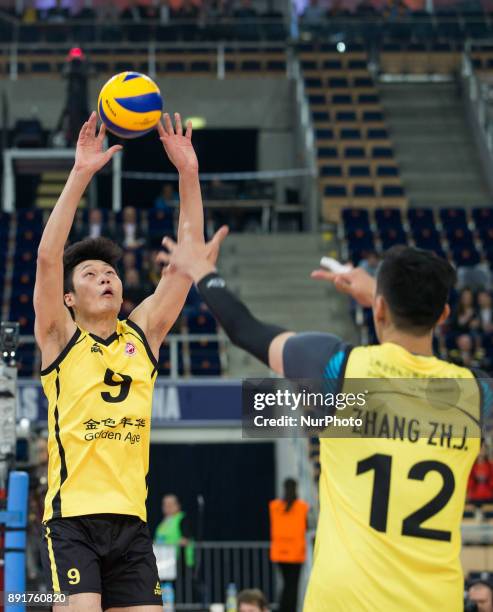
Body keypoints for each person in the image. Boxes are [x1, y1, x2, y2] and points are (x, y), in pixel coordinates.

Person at [159, 237, 489, 611]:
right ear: (444, 315)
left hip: (347, 601)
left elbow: (243, 329)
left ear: (379, 308)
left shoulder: (338, 369)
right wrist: (383, 301)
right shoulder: (475, 395)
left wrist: (203, 270)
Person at [34, 110, 226, 611]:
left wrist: (189, 174)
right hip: (73, 520)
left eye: (110, 273)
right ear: (70, 298)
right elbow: (49, 259)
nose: (106, 279)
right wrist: (80, 174)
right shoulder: (60, 337)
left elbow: (187, 263)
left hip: (131, 522)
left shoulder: (141, 336)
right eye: (92, 274)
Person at [269, 478, 308, 612]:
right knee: (293, 587)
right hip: (295, 554)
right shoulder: (302, 507)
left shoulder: (274, 506)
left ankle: (283, 609)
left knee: (285, 585)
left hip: (280, 553)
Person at [154, 494, 194, 569]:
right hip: (164, 562)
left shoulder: (182, 519)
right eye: (165, 505)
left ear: (178, 505)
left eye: (171, 504)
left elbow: (185, 539)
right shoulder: (161, 524)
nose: (168, 507)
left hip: (181, 563)